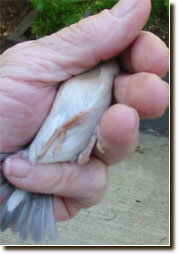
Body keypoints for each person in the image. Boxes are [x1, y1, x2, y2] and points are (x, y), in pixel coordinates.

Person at [0, 0, 168, 222]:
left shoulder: (111, 76)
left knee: (114, 124)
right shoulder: (81, 67)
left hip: (41, 158)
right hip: (32, 153)